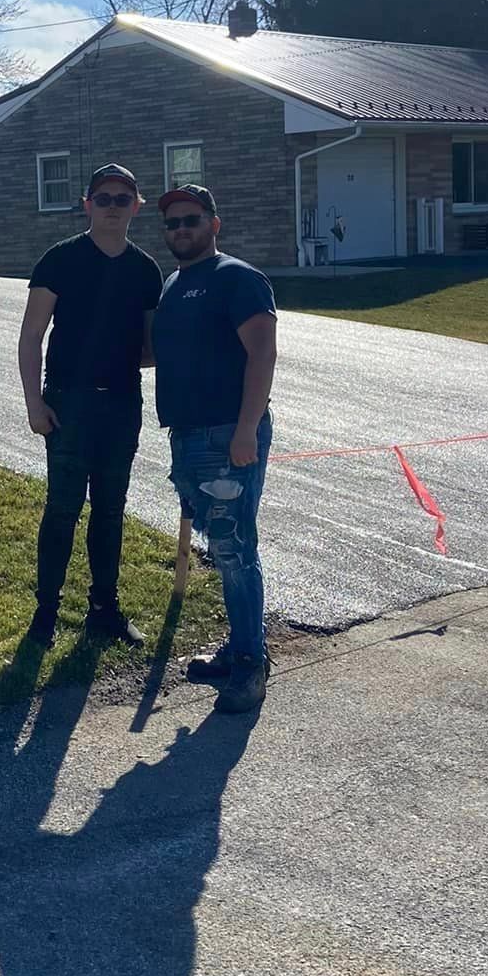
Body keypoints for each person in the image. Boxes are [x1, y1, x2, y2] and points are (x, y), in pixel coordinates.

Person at [17, 164, 163, 648]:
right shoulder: (60, 260)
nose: (113, 207)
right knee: (62, 508)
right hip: (66, 404)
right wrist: (34, 403)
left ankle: (104, 609)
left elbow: (150, 348)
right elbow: (32, 334)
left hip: (121, 405)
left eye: (123, 199)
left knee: (110, 510)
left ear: (136, 206)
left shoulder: (145, 271)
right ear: (87, 204)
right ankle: (46, 613)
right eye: (104, 198)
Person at [150, 184, 278, 714]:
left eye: (192, 219)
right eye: (174, 222)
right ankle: (236, 649)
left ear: (214, 223)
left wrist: (247, 427)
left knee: (234, 547)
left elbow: (263, 354)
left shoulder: (238, 278)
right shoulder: (173, 284)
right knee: (221, 547)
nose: (182, 229)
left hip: (229, 434)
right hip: (189, 436)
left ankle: (251, 663)